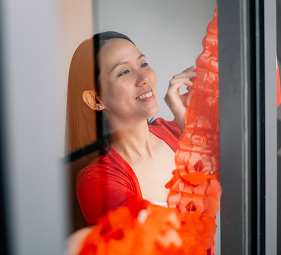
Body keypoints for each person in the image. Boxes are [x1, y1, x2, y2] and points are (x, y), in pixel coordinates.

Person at [66, 31, 195, 226]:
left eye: (143, 64)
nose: (144, 77)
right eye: (124, 72)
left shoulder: (177, 131)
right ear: (96, 99)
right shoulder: (97, 182)